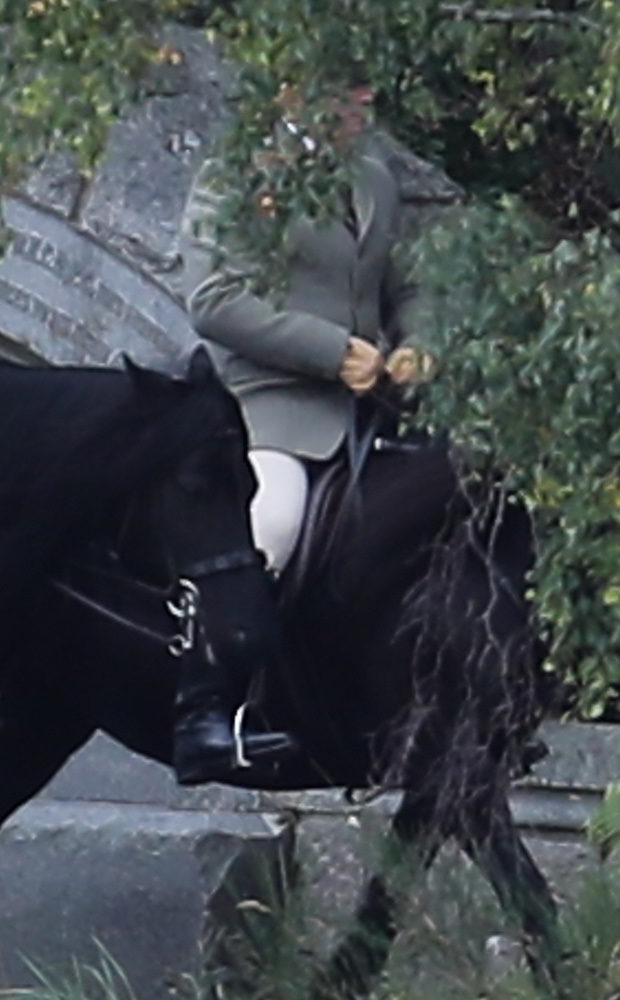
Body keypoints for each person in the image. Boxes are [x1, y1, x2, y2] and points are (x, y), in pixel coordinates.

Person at [170, 127, 433, 783]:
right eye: (350, 82)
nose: (365, 94)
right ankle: (206, 711)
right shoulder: (234, 168)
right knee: (275, 522)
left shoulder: (372, 169)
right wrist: (334, 351)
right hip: (272, 405)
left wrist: (419, 345)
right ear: (295, 88)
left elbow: (406, 287)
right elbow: (215, 299)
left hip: (375, 410)